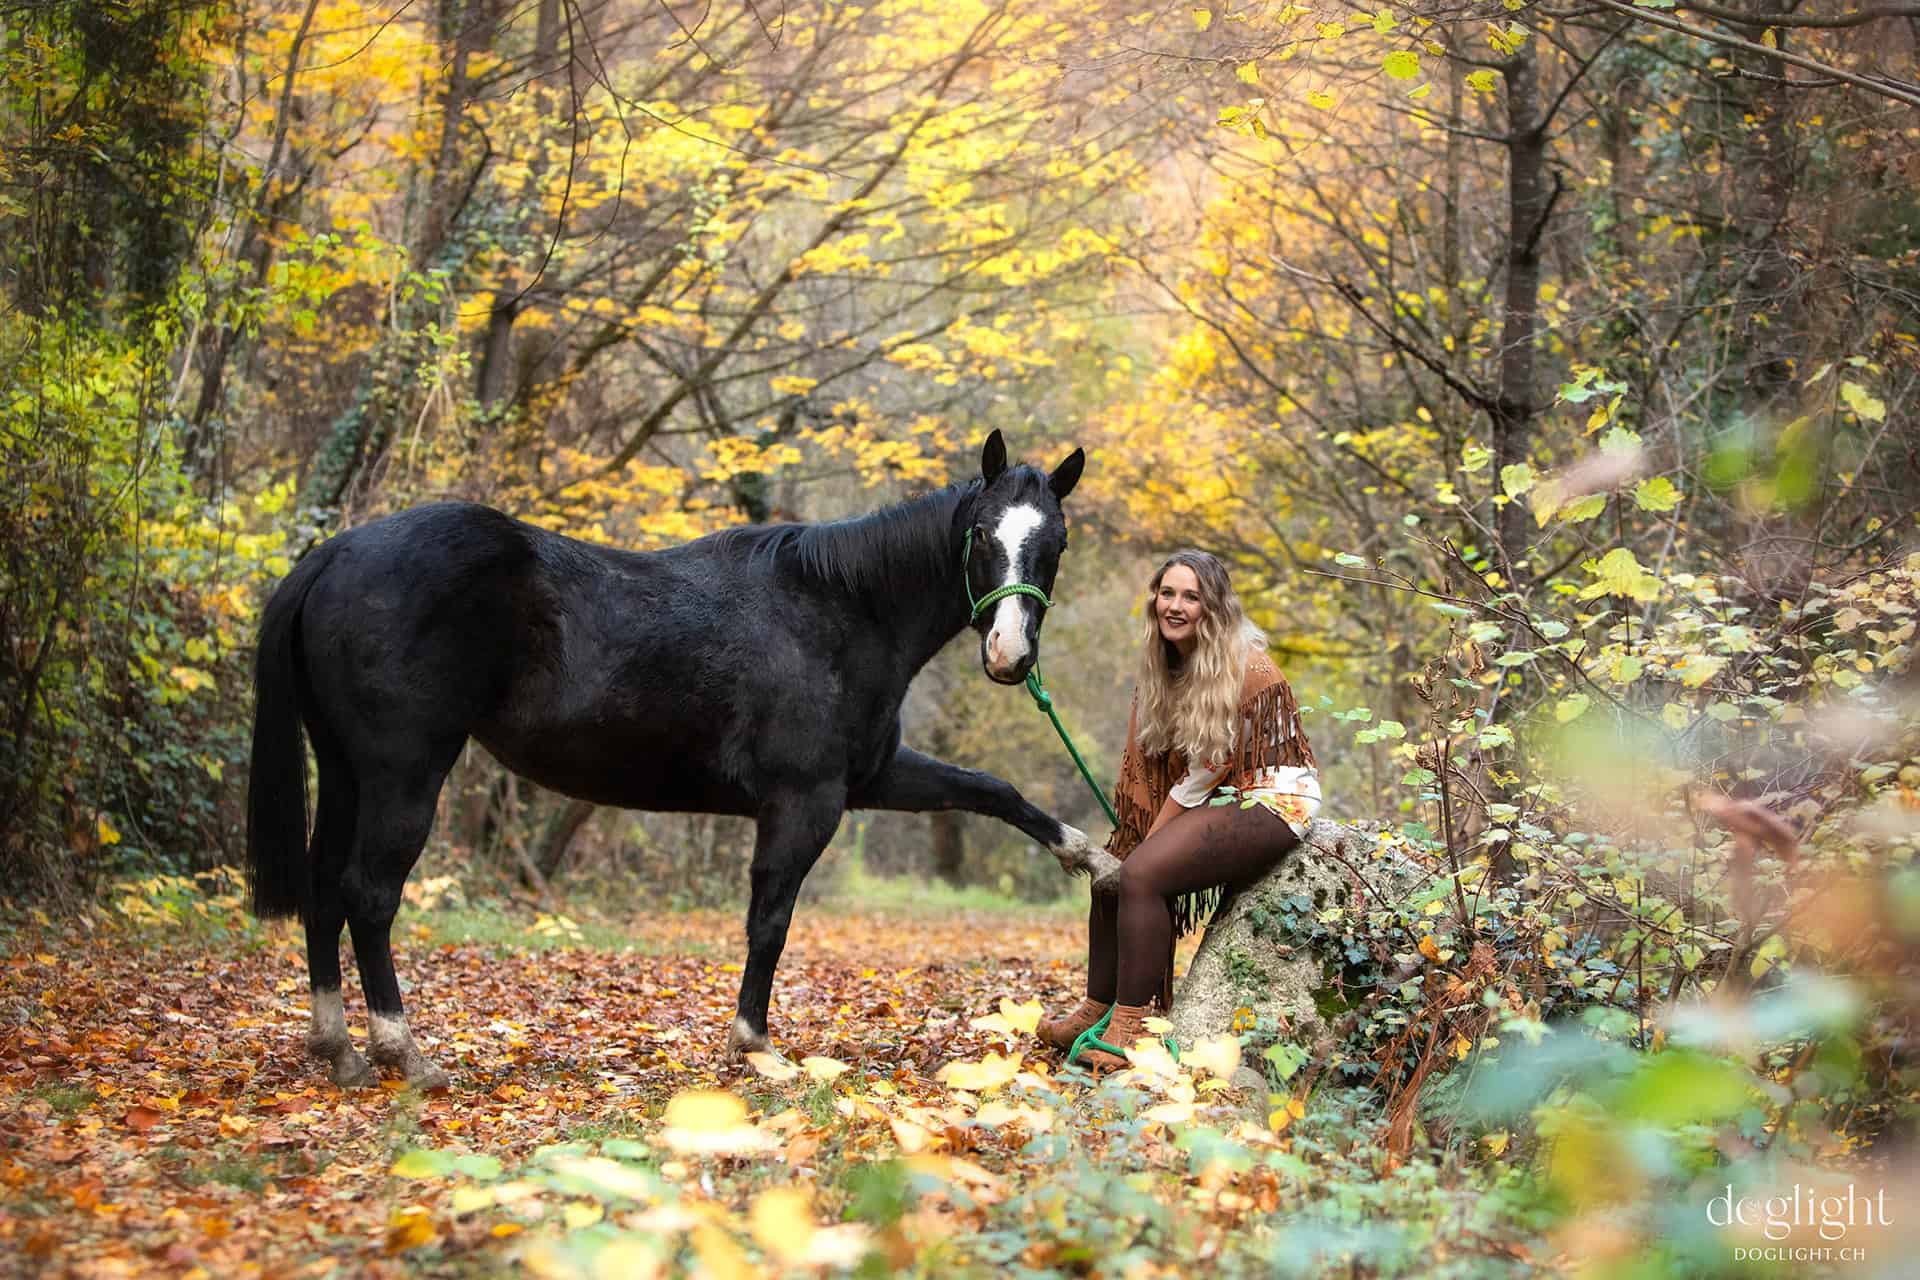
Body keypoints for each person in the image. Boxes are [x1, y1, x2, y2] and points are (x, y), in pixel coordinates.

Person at [1037, 549, 1321, 1070]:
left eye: (1190, 596)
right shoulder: (1168, 664)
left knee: (1140, 873)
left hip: (1271, 800)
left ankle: (1132, 1027)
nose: (1176, 605)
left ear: (1212, 606)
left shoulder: (1240, 663)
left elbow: (1208, 769)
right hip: (1218, 793)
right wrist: (1132, 843)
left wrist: (1151, 841)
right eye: (1167, 593)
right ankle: (1095, 1008)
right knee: (1111, 871)